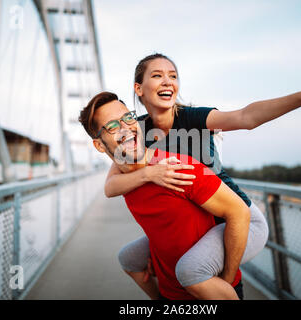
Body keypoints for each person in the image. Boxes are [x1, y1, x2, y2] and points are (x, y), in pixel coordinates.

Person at [104, 53, 301, 297]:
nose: (167, 81)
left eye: (173, 76)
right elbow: (111, 185)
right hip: (200, 223)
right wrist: (150, 176)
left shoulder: (193, 118)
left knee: (196, 273)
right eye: (157, 75)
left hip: (237, 218)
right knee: (130, 259)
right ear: (138, 88)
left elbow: (247, 117)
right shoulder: (134, 130)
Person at [78, 92, 252, 300]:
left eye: (128, 118)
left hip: (211, 291)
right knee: (126, 258)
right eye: (113, 126)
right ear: (99, 145)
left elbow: (240, 211)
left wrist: (227, 279)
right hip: (169, 291)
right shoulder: (126, 179)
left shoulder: (179, 167)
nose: (126, 127)